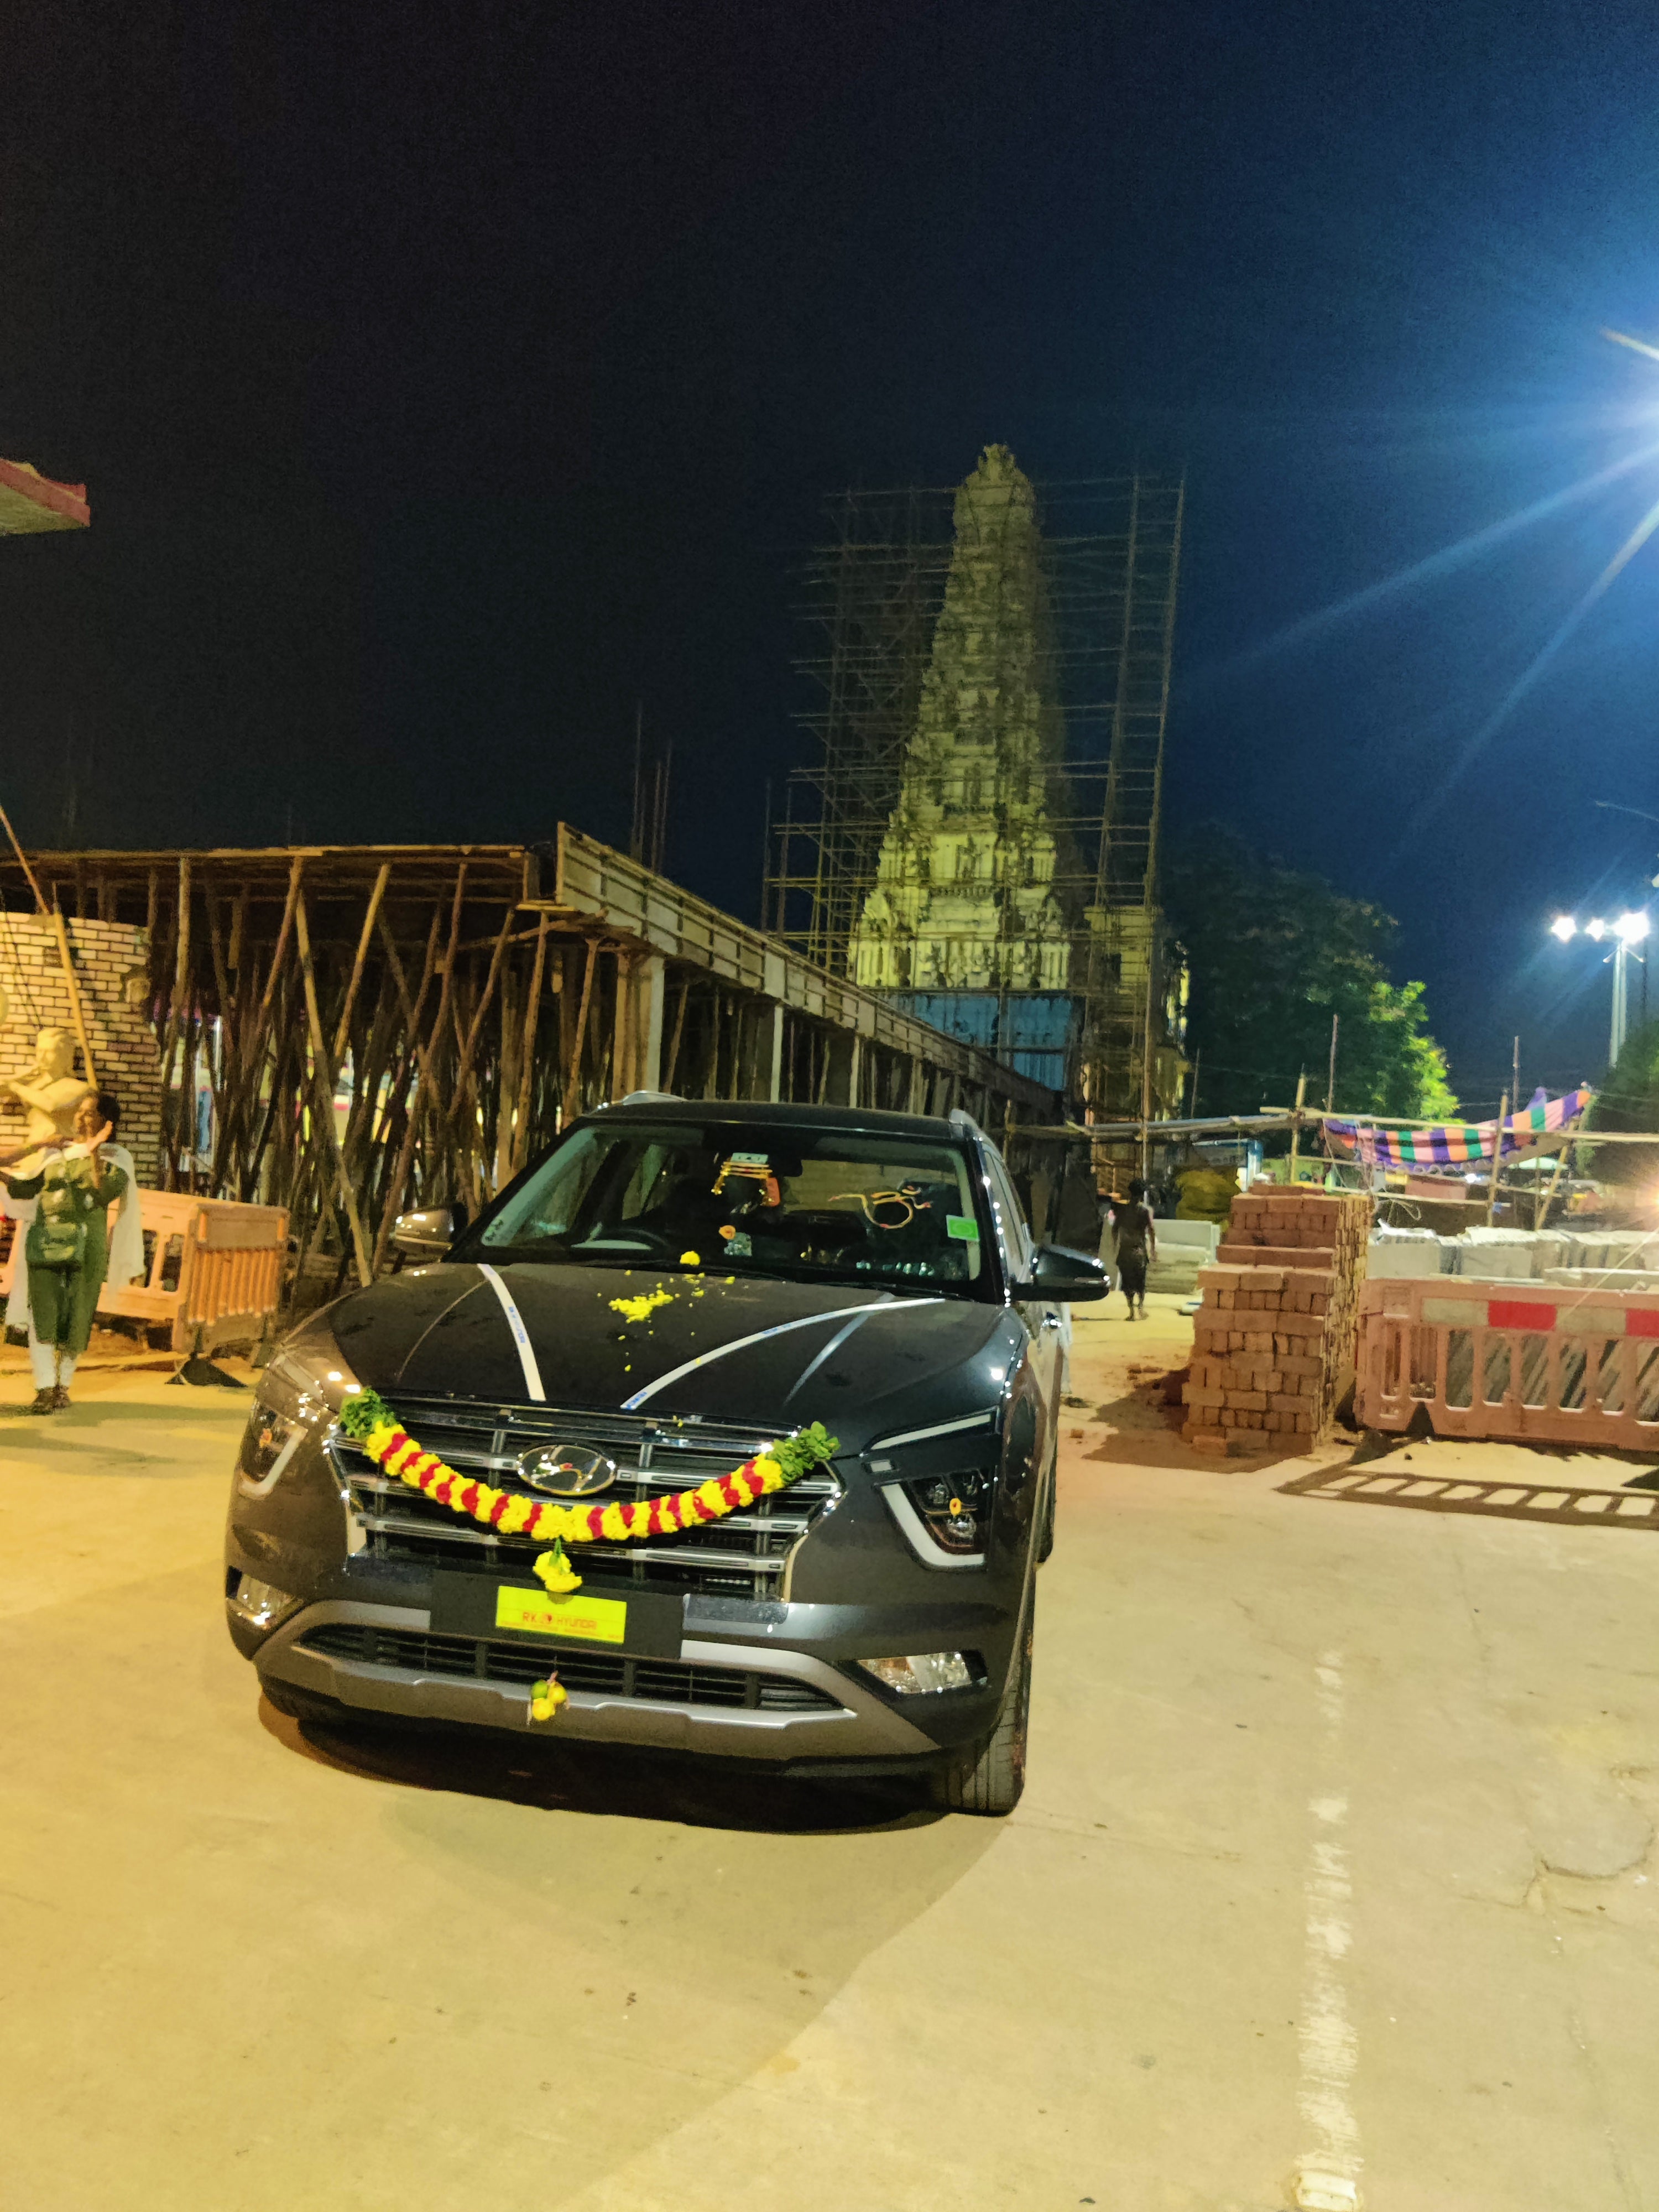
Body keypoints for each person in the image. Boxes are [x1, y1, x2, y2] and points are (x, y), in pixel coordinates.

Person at [1, 1091, 127, 1413]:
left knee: (77, 1316)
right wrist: (5, 1176)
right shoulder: (58, 1153)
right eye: (80, 1112)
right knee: (42, 1315)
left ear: (106, 1122)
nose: (81, 1119)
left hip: (86, 1247)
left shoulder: (117, 1157)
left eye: (89, 1113)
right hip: (45, 1243)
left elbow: (101, 1193)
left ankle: (62, 1386)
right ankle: (45, 1388)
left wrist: (94, 1153)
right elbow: (28, 1187)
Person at [1109, 1176, 1158, 1321]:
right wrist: (1153, 1249)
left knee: (1127, 1282)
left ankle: (1131, 1312)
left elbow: (1115, 1230)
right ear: (1143, 1194)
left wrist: (1114, 1245)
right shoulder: (1145, 1211)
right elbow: (1152, 1230)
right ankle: (1141, 1309)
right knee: (1140, 1282)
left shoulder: (1122, 1210)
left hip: (1125, 1250)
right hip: (1139, 1251)